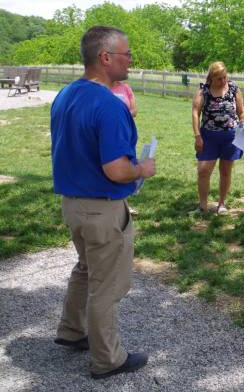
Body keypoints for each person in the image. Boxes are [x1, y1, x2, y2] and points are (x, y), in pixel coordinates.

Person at [51, 25, 156, 379]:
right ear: (105, 57)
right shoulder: (109, 106)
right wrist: (143, 167)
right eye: (127, 54)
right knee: (107, 285)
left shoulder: (66, 94)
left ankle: (71, 330)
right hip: (102, 209)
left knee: (84, 269)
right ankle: (108, 359)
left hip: (73, 204)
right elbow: (116, 170)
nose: (131, 60)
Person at [191, 61, 244, 215]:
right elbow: (195, 112)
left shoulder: (234, 88)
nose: (223, 81)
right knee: (203, 171)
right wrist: (197, 136)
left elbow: (241, 113)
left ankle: (222, 203)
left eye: (224, 77)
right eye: (219, 79)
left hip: (230, 137)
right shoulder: (203, 90)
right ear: (211, 78)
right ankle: (202, 206)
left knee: (226, 171)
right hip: (208, 137)